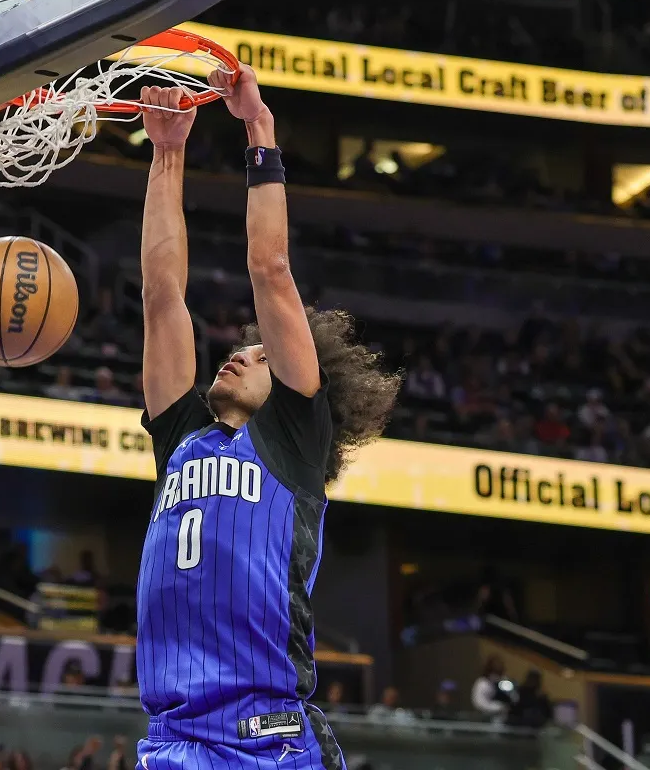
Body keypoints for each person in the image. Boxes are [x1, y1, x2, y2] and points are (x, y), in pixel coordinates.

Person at [132, 67, 400, 770]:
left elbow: (271, 269)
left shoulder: (293, 440)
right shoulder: (182, 437)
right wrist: (167, 153)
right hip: (174, 740)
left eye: (259, 355)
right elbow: (162, 295)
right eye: (242, 349)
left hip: (269, 742)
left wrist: (259, 128)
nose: (238, 354)